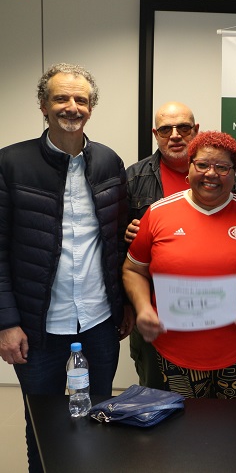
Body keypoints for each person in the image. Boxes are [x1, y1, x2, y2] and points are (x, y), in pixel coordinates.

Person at [0, 63, 132, 473]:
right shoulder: (10, 163)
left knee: (98, 420)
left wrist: (126, 304)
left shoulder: (108, 161)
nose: (71, 107)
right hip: (37, 329)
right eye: (61, 98)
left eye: (81, 99)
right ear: (43, 105)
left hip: (98, 322)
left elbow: (117, 243)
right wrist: (6, 322)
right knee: (43, 428)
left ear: (90, 108)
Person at [123, 131, 236, 400]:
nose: (211, 173)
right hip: (173, 351)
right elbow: (133, 269)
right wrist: (143, 308)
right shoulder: (157, 213)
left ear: (234, 172)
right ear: (189, 168)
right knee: (182, 424)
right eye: (202, 165)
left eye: (222, 167)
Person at [125, 101, 199, 390]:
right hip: (155, 308)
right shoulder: (135, 176)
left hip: (208, 305)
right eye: (166, 129)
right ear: (156, 134)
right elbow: (114, 241)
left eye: (183, 128)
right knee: (155, 396)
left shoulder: (215, 172)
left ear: (196, 130)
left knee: (210, 401)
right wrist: (125, 232)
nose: (175, 135)